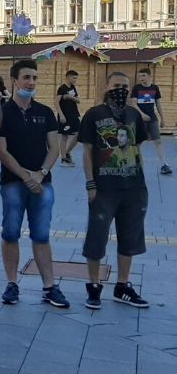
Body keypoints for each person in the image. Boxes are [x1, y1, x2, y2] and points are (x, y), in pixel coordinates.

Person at [0, 60, 69, 308]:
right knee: (10, 232)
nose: (31, 82)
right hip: (13, 183)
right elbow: (1, 151)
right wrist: (26, 176)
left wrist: (41, 173)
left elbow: (55, 147)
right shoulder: (3, 113)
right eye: (26, 77)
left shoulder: (45, 112)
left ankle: (49, 286)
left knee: (41, 235)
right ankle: (11, 283)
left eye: (35, 78)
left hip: (42, 182)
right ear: (14, 81)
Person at [80, 72, 151, 310]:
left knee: (130, 237)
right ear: (107, 87)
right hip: (104, 189)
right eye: (116, 86)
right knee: (97, 236)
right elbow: (88, 152)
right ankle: (93, 285)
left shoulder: (133, 115)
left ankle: (122, 285)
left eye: (125, 87)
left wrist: (140, 181)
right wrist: (90, 183)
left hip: (132, 187)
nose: (120, 90)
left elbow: (137, 146)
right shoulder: (94, 115)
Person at [130, 68, 171, 175]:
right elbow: (134, 103)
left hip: (152, 119)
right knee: (137, 143)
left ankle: (164, 165)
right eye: (139, 76)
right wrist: (142, 115)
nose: (141, 78)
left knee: (158, 141)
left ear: (149, 76)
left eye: (143, 76)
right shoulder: (136, 88)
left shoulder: (155, 88)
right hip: (140, 120)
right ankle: (137, 165)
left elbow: (158, 104)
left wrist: (163, 118)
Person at [55, 70, 82, 167]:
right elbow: (56, 102)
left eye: (76, 78)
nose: (75, 80)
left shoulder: (73, 87)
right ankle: (63, 159)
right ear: (68, 77)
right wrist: (61, 115)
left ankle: (67, 152)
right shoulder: (62, 88)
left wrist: (72, 98)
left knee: (80, 134)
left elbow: (78, 100)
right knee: (64, 136)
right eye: (74, 78)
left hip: (74, 114)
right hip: (65, 115)